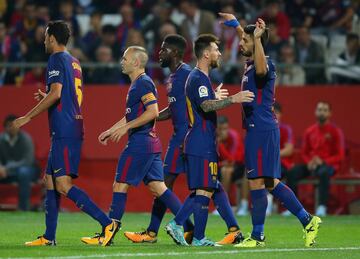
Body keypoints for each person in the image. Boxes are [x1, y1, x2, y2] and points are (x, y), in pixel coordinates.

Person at [123, 35, 244, 246]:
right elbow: (174, 109)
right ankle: (222, 229)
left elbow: (199, 101)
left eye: (163, 50)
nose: (159, 54)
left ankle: (163, 230)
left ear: (175, 52)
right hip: (189, 138)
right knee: (208, 184)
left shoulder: (187, 74)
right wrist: (149, 117)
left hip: (185, 138)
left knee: (176, 184)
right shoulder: (173, 78)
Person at [219, 13, 321, 248]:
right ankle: (307, 220)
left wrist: (255, 38)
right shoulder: (251, 61)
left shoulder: (264, 64)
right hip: (259, 128)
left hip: (261, 129)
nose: (241, 43)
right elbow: (247, 42)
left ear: (256, 43)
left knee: (257, 181)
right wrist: (236, 24)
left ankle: (257, 236)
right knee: (270, 182)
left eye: (245, 41)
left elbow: (261, 66)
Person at [12, 21, 118, 246]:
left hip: (64, 129)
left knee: (62, 184)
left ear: (51, 38)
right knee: (49, 181)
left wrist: (26, 117)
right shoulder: (74, 61)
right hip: (70, 126)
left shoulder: (56, 59)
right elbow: (66, 94)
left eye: (45, 36)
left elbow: (57, 93)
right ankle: (49, 237)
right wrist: (49, 97)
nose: (43, 40)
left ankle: (107, 223)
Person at [81, 46, 188, 245]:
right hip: (150, 143)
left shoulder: (143, 83)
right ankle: (190, 228)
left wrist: (126, 129)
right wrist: (112, 130)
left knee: (120, 184)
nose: (122, 61)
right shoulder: (138, 84)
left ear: (136, 62)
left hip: (140, 142)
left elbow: (153, 112)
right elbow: (132, 114)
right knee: (158, 188)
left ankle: (108, 232)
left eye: (125, 58)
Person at [165, 33, 255, 247]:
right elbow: (205, 106)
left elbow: (202, 102)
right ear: (206, 54)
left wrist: (215, 96)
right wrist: (234, 99)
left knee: (206, 187)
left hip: (201, 140)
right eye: (216, 50)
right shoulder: (198, 77)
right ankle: (182, 227)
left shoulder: (200, 79)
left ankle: (201, 235)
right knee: (204, 189)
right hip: (200, 141)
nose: (219, 53)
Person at [286, 102, 345, 216]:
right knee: (292, 172)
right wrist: (309, 162)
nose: (321, 112)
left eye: (325, 110)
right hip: (311, 164)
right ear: (315, 112)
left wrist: (323, 161)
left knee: (323, 172)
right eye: (319, 109)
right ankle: (293, 207)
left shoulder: (335, 131)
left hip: (329, 165)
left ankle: (322, 207)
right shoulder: (310, 131)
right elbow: (304, 152)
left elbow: (340, 155)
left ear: (330, 113)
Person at [0, 114, 40, 211]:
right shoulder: (1, 139)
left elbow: (28, 161)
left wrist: (7, 168)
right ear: (5, 127)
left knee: (24, 172)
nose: (12, 128)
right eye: (9, 125)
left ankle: (23, 208)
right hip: (6, 172)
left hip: (29, 170)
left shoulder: (26, 139)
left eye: (14, 125)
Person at [215, 116, 248, 216]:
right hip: (220, 168)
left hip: (240, 167)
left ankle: (242, 206)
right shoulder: (213, 138)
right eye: (220, 129)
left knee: (226, 170)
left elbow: (231, 160)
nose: (222, 132)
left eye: (225, 129)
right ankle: (223, 205)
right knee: (225, 170)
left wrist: (219, 144)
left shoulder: (234, 136)